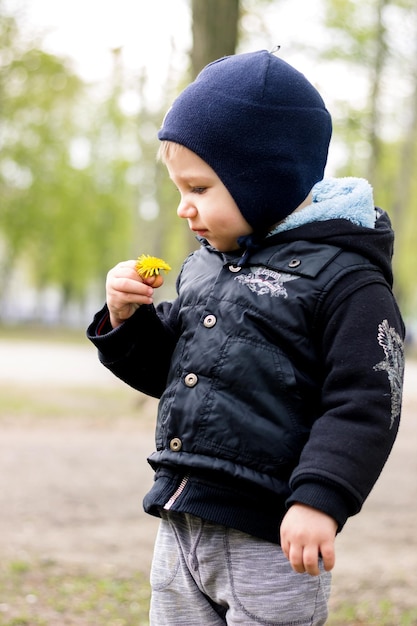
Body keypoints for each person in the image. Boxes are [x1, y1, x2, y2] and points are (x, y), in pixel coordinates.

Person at [87, 49, 405, 625]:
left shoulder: (346, 281)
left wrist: (319, 498)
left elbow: (365, 400)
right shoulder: (206, 266)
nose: (184, 208)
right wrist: (125, 321)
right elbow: (175, 373)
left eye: (200, 188)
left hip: (272, 534)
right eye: (179, 189)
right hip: (183, 519)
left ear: (264, 179)